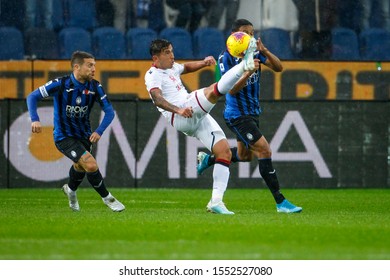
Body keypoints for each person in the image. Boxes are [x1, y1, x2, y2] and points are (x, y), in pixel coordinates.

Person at [197, 19, 302, 213]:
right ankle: (281, 202)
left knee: (245, 156)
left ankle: (209, 160)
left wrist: (265, 51)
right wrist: (247, 72)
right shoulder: (225, 58)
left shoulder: (253, 52)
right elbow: (231, 90)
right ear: (235, 36)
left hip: (253, 112)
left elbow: (279, 68)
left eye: (252, 33)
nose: (250, 37)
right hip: (237, 114)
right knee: (264, 150)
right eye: (246, 33)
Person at [145, 37, 258, 214]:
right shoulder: (152, 75)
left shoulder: (172, 67)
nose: (172, 56)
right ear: (155, 59)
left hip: (194, 114)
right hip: (182, 113)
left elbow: (186, 67)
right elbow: (157, 99)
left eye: (172, 51)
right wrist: (178, 110)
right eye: (167, 53)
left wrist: (204, 63)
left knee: (224, 152)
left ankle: (216, 202)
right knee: (213, 91)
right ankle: (245, 64)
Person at [26, 51, 125, 212]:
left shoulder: (95, 86)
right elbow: (32, 96)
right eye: (90, 65)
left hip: (84, 136)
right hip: (63, 136)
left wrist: (99, 131)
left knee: (80, 167)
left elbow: (110, 112)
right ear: (77, 67)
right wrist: (35, 118)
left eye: (95, 65)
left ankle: (70, 191)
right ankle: (108, 198)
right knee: (91, 165)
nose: (94, 69)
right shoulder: (61, 84)